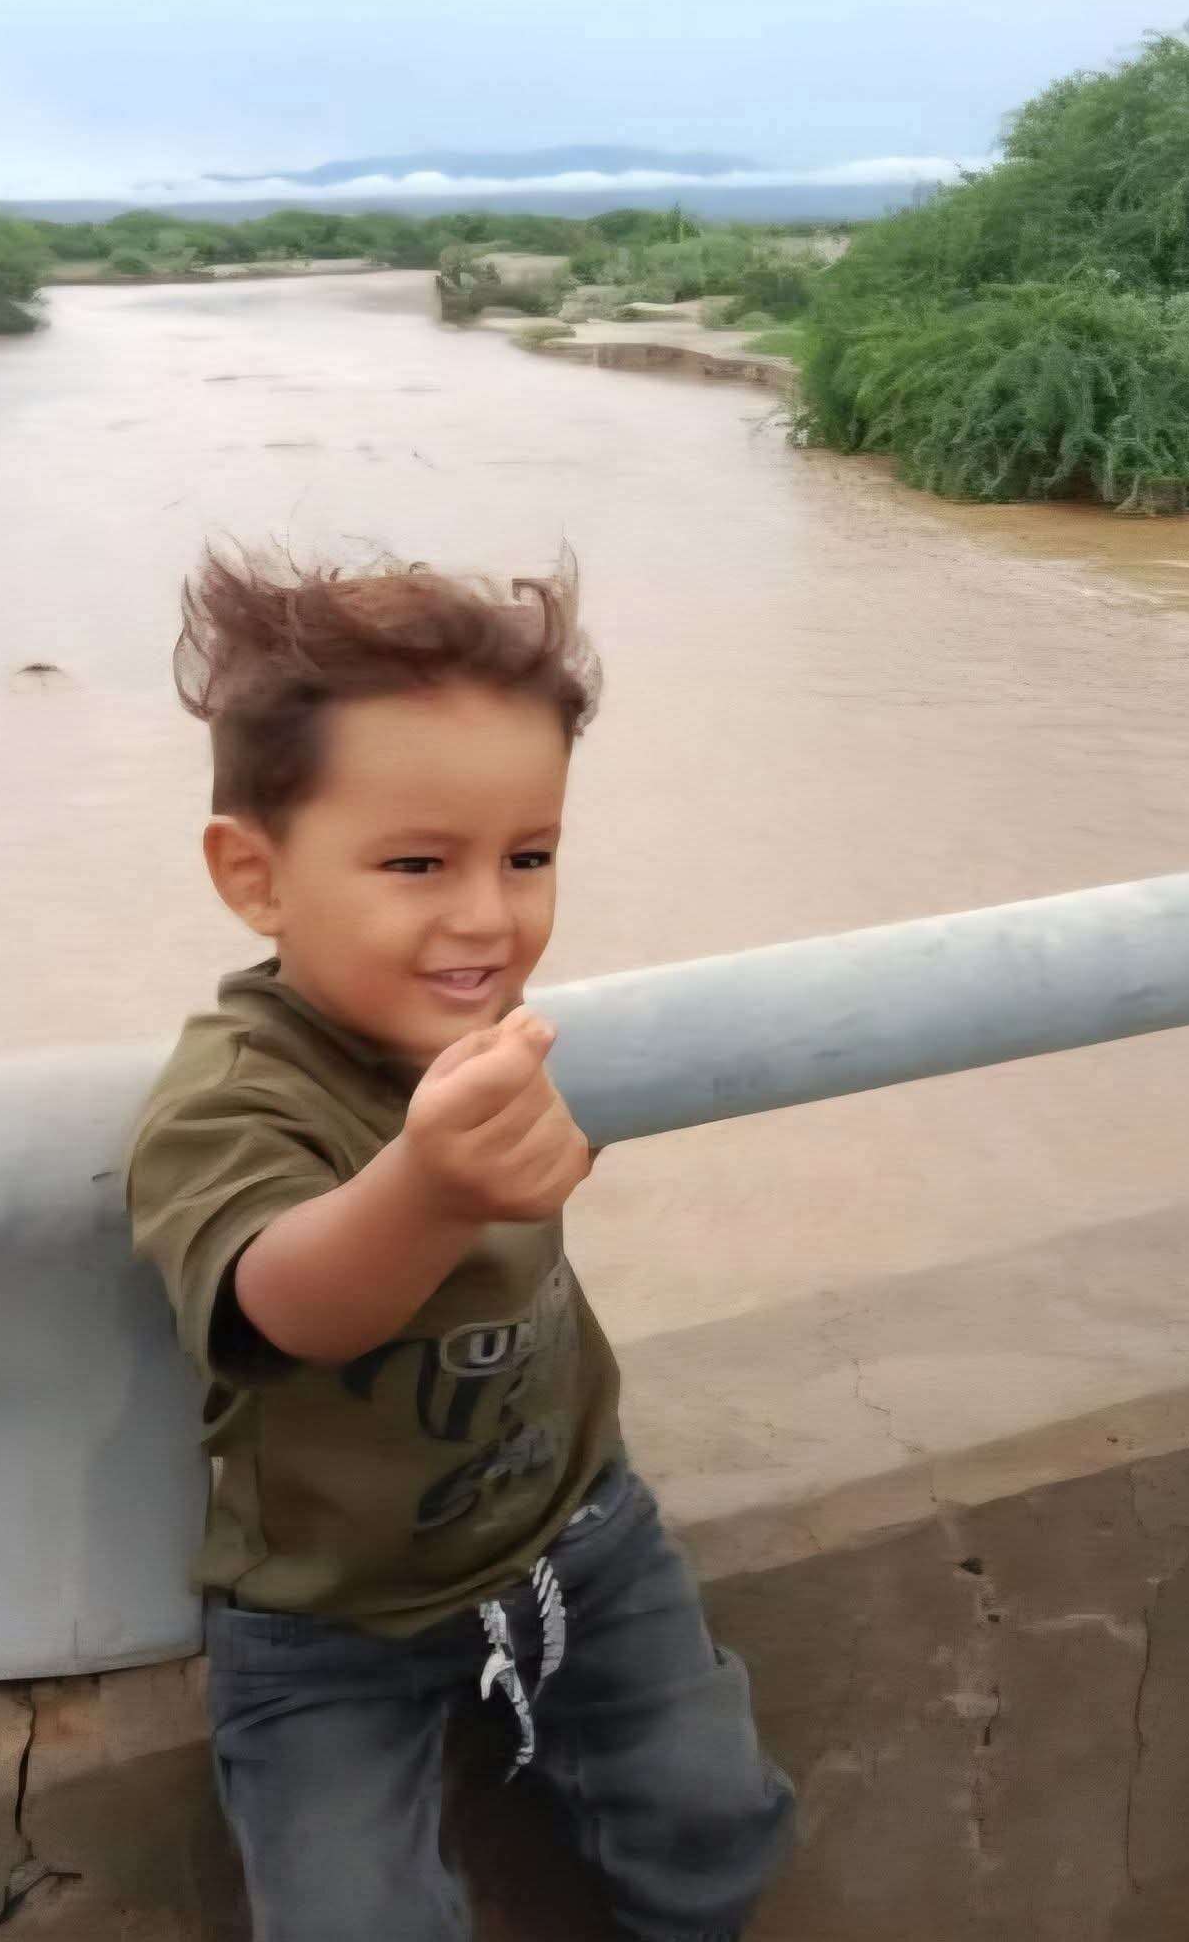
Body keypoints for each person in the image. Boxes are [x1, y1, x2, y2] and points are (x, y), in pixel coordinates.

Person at [126, 546, 794, 1942]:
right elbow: (277, 1299)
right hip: (329, 1617)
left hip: (581, 1533)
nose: (488, 917)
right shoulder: (234, 1095)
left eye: (528, 856)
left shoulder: (493, 1037)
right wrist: (427, 1188)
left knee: (713, 1813)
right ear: (255, 874)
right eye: (417, 863)